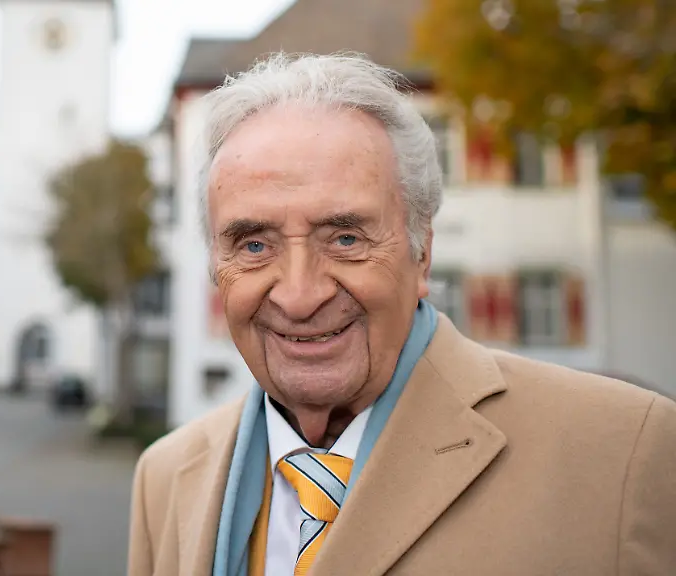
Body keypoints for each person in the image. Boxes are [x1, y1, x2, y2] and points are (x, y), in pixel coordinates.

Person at [127, 53, 676, 575]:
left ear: (422, 254)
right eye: (253, 246)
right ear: (214, 268)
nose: (298, 295)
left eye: (345, 237)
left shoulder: (625, 454)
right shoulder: (166, 478)